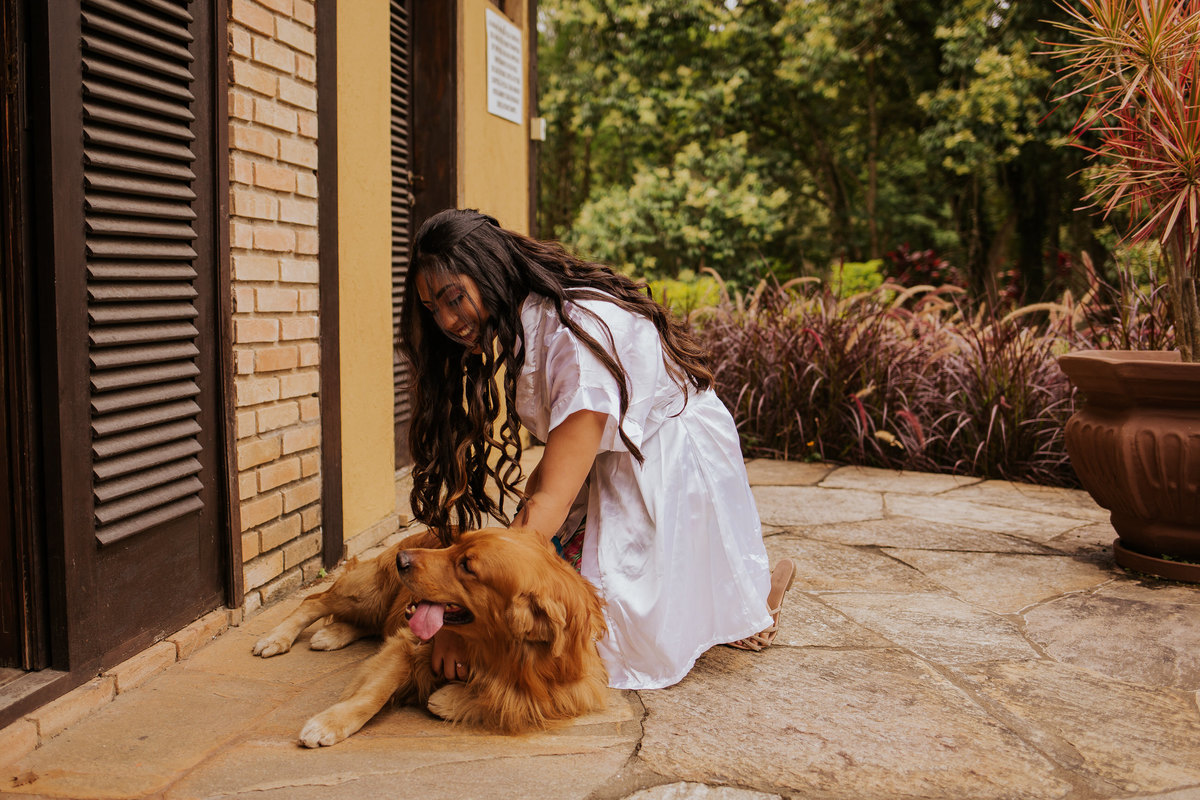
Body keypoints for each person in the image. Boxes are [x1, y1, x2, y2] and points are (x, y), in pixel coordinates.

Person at [399, 208, 797, 690]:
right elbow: (544, 480)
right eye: (431, 308)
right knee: (555, 584)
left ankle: (749, 608)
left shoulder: (575, 338)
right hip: (622, 453)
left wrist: (452, 614)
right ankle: (736, 600)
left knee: (601, 634)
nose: (445, 320)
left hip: (670, 458)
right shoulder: (533, 321)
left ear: (489, 271)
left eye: (453, 298)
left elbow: (550, 502)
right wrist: (461, 602)